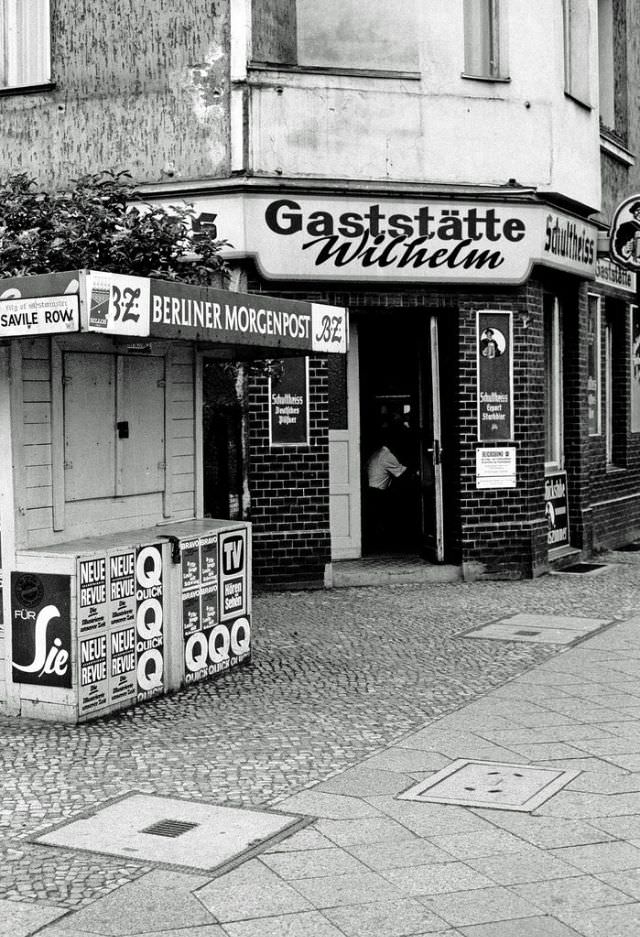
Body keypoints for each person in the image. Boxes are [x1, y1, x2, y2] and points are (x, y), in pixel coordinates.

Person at [365, 435, 409, 550]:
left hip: (371, 490)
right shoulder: (387, 455)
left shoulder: (376, 454)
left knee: (374, 518)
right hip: (378, 493)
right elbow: (401, 474)